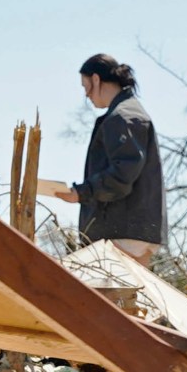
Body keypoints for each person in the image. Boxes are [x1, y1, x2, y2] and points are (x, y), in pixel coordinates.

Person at [39, 54, 164, 257]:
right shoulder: (128, 113)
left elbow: (123, 174)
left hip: (121, 232)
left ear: (96, 79)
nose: (86, 95)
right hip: (131, 231)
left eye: (84, 86)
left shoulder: (123, 116)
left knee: (109, 290)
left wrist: (82, 193)